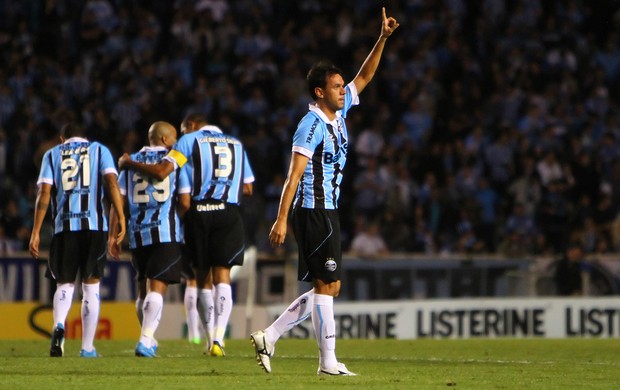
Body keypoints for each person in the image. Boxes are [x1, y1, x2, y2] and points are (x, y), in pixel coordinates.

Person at [250, 7, 399, 376]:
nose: (342, 89)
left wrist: (382, 38)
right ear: (320, 92)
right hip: (313, 209)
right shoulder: (311, 125)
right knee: (325, 284)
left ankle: (270, 335)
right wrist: (281, 218)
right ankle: (326, 362)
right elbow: (293, 175)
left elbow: (365, 75)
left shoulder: (339, 111)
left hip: (328, 210)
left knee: (330, 286)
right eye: (335, 86)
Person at [118, 113, 255, 357]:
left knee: (201, 279)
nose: (180, 136)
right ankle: (219, 340)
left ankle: (204, 337)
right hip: (229, 212)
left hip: (198, 212)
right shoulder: (236, 144)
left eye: (182, 130)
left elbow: (165, 170)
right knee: (222, 275)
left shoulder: (189, 142)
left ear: (191, 126)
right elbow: (248, 187)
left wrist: (129, 164)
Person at [29, 122, 126, 358]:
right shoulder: (100, 150)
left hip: (64, 227)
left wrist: (35, 231)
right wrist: (121, 215)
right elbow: (112, 182)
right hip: (94, 227)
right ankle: (87, 347)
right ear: (85, 137)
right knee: (90, 286)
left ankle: (59, 326)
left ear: (63, 138)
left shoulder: (52, 154)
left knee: (64, 284)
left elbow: (44, 193)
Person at [110, 121, 189, 357]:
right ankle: (145, 340)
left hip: (137, 232)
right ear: (166, 140)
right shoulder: (176, 156)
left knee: (142, 288)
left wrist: (112, 235)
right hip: (165, 231)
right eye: (174, 138)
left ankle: (148, 337)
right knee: (157, 287)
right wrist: (176, 218)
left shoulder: (130, 159)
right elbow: (184, 201)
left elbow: (118, 201)